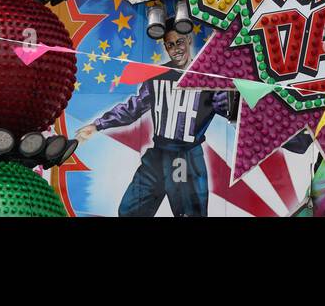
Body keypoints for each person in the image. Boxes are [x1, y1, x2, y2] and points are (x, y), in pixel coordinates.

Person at [76, 27, 234, 217]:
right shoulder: (157, 76)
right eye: (170, 45)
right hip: (157, 156)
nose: (176, 49)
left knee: (189, 214)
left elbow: (226, 107)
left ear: (189, 40)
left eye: (180, 42)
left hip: (186, 156)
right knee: (129, 211)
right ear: (166, 48)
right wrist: (97, 125)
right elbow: (134, 107)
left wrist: (234, 98)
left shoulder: (208, 78)